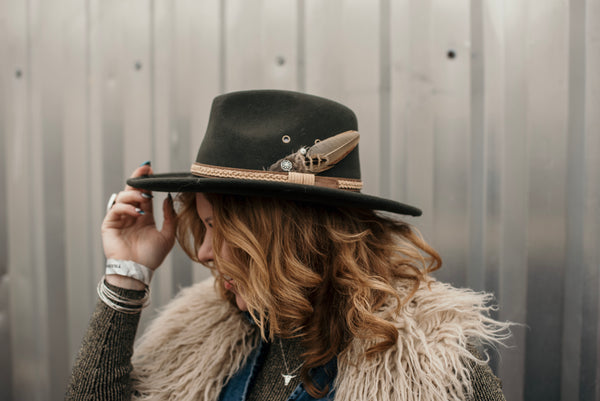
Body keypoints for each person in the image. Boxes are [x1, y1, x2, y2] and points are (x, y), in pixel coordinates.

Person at [66, 90, 510, 401]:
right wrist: (127, 275)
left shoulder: (426, 366)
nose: (203, 253)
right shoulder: (203, 335)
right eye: (202, 227)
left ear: (286, 239)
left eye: (218, 227)